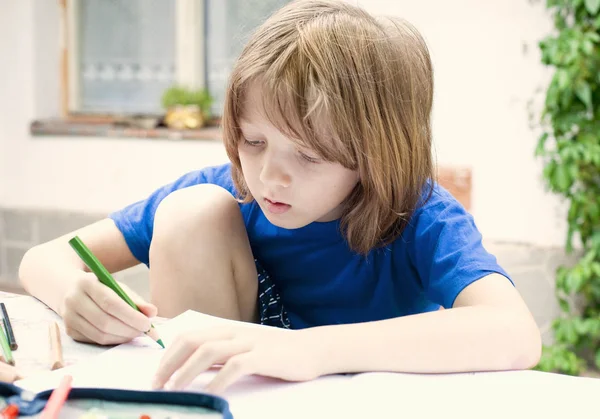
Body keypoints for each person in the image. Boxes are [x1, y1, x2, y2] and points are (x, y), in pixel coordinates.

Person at [19, 0, 541, 394]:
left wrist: (310, 350)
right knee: (191, 210)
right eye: (253, 141)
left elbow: (515, 333)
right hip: (239, 397)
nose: (270, 175)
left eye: (309, 156)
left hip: (370, 400)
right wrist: (72, 294)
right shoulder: (230, 189)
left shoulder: (419, 213)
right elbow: (44, 259)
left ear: (376, 152)